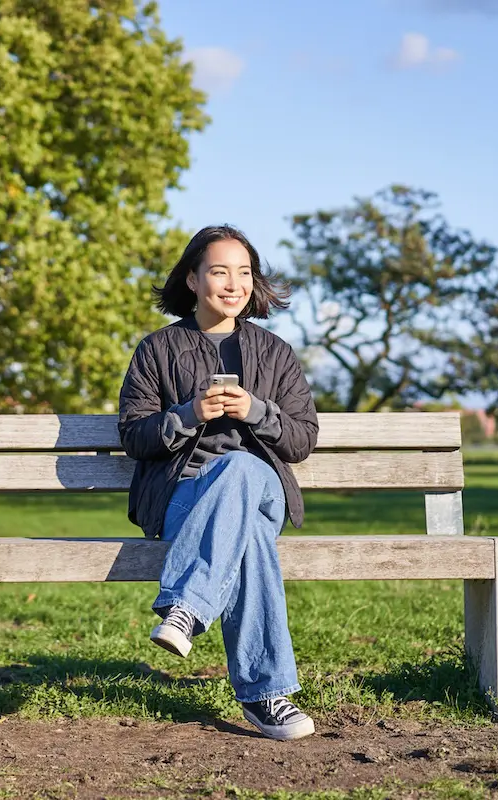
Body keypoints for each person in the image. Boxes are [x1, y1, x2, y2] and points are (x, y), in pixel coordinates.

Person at [117, 224, 321, 741]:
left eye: (244, 272)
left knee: (244, 468)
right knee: (247, 536)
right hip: (184, 495)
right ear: (192, 278)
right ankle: (266, 696)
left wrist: (258, 411)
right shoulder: (157, 350)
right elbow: (134, 436)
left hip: (263, 490)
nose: (234, 283)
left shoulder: (274, 353)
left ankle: (186, 606)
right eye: (219, 271)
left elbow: (300, 440)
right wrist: (187, 415)